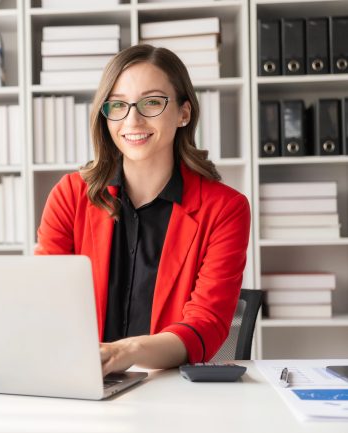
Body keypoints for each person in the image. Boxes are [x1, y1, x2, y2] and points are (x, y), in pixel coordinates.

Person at [35, 45, 251, 375]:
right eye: (118, 105)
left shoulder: (225, 209)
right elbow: (43, 300)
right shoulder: (69, 195)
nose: (132, 120)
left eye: (151, 102)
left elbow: (206, 325)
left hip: (167, 388)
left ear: (184, 112)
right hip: (80, 381)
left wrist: (128, 351)